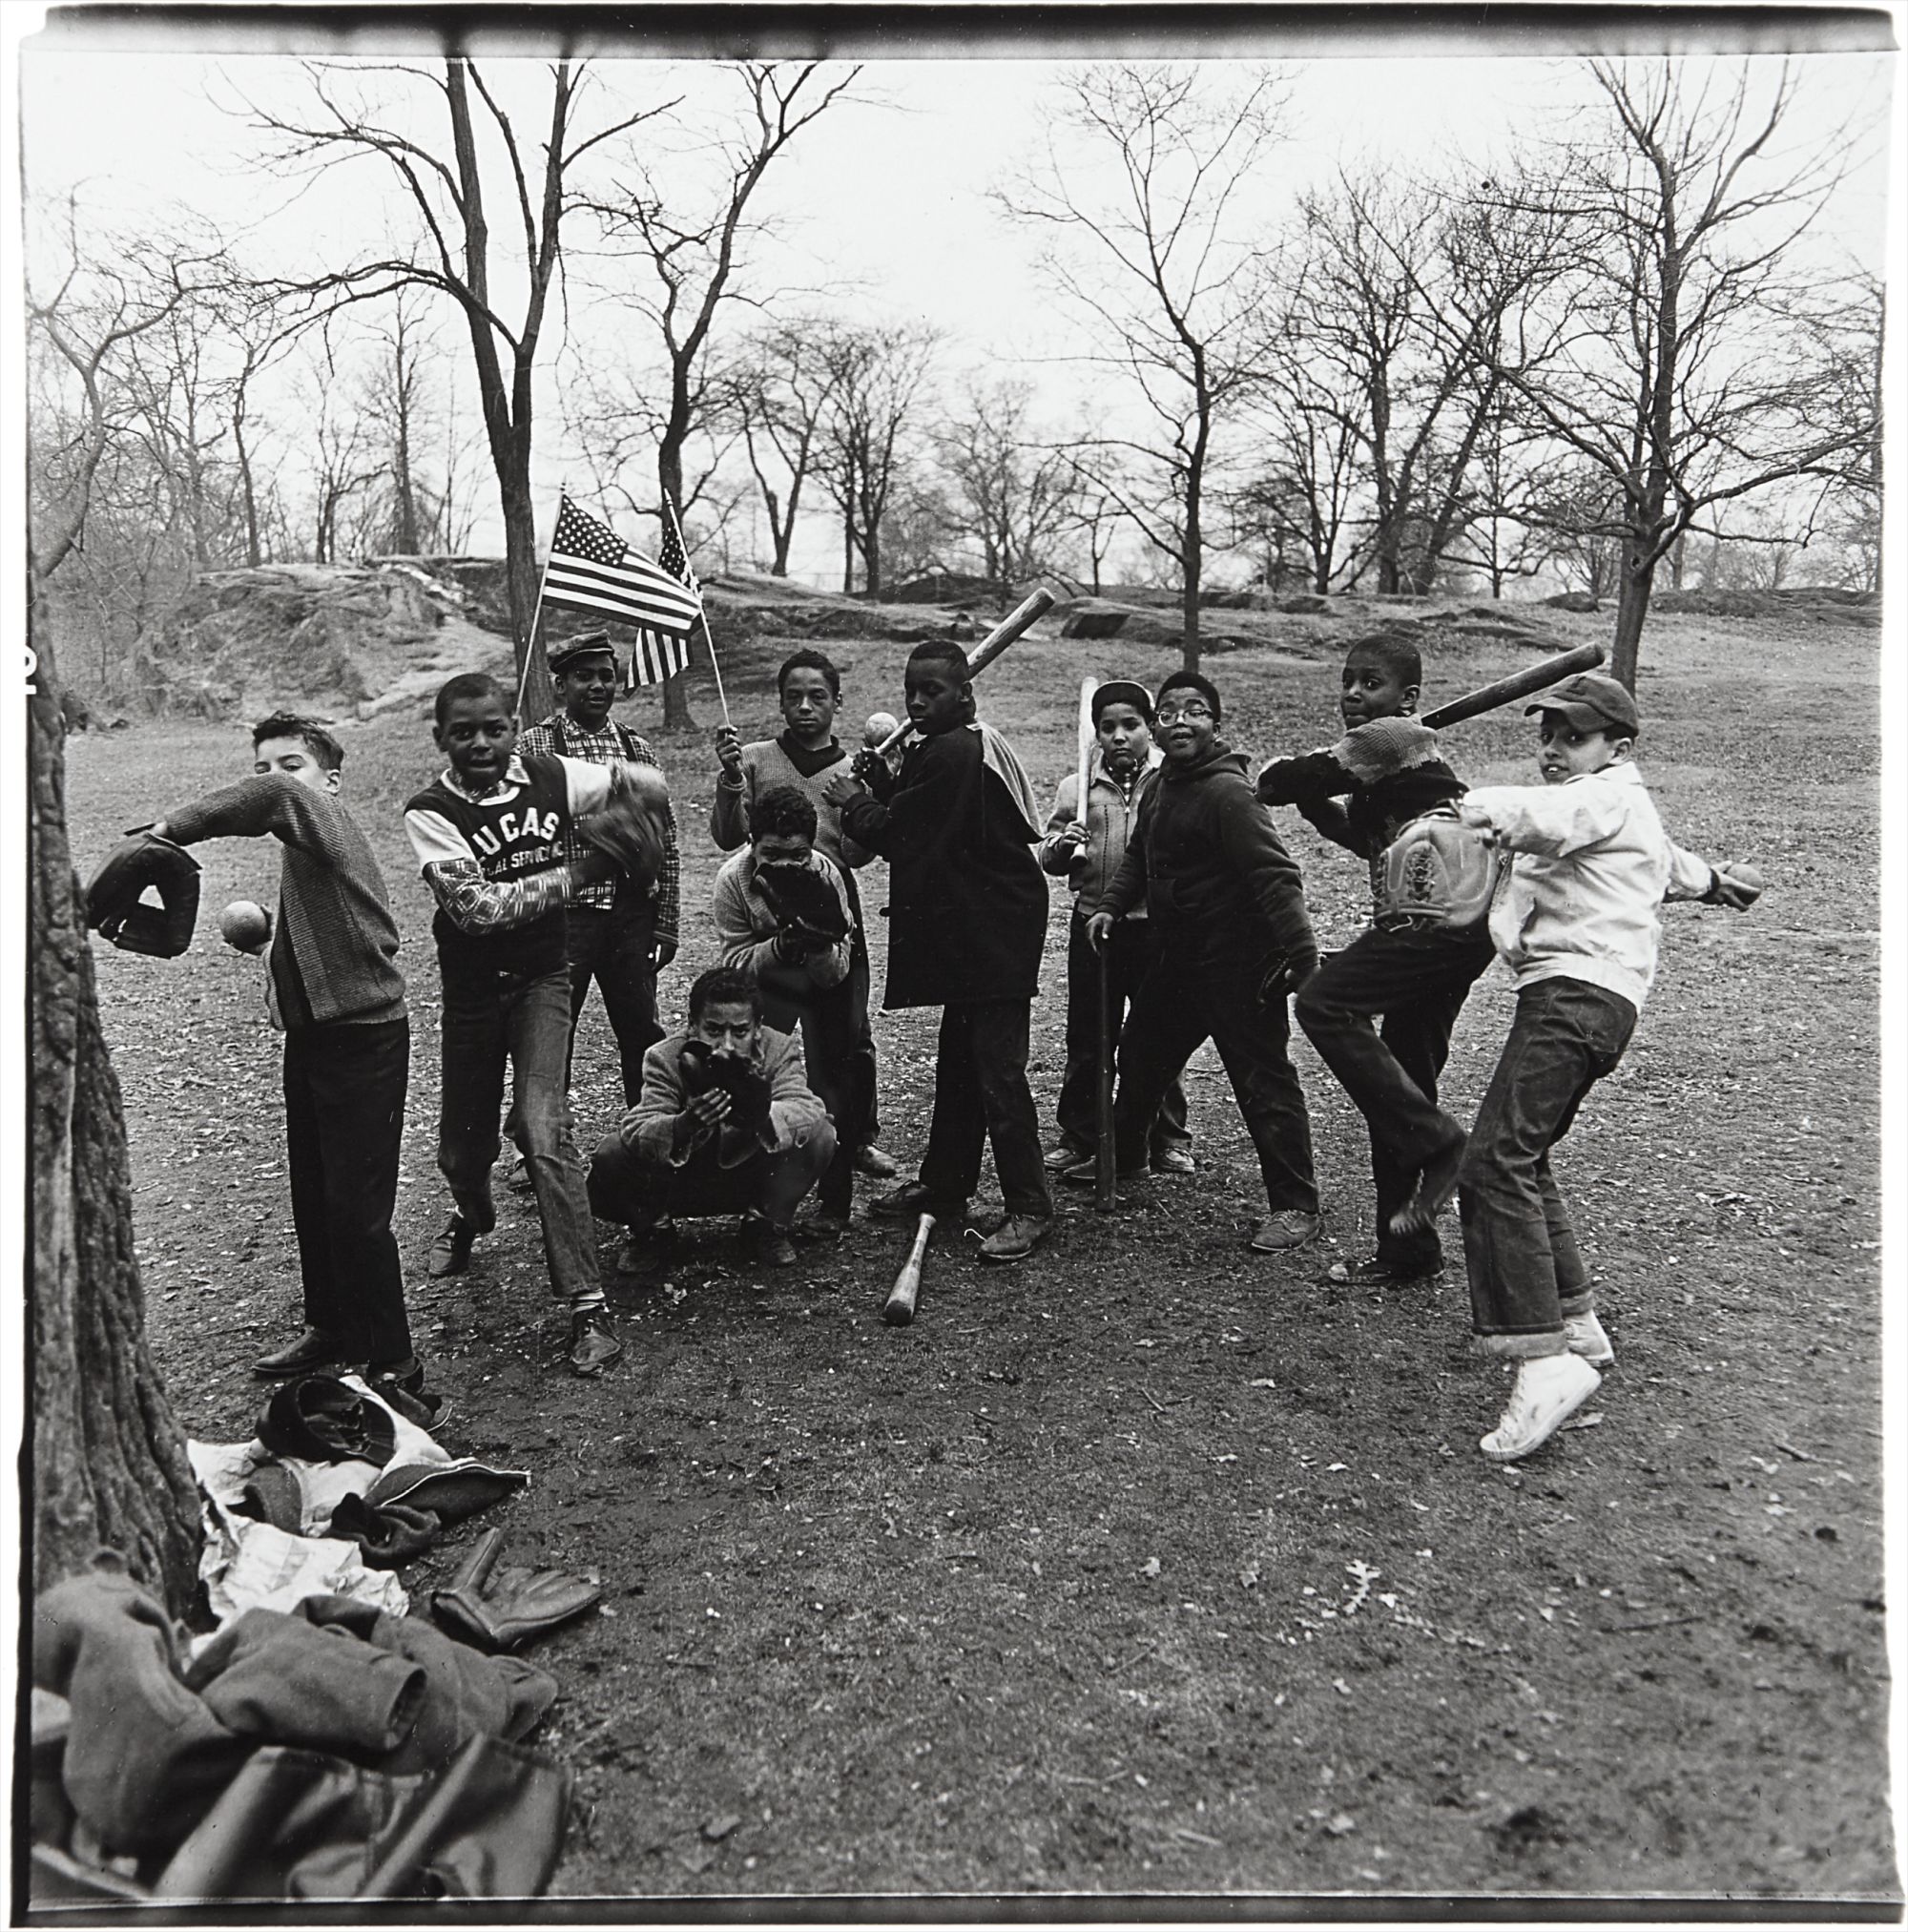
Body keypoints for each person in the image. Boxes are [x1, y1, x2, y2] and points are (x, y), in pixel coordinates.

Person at [1441, 673, 1760, 1461]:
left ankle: (1542, 1361)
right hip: (1593, 1003)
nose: (1554, 751)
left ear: (1618, 748)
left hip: (1572, 998)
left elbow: (1545, 814)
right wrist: (1717, 882)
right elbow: (1670, 864)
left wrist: (1459, 808)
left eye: (1572, 737)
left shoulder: (1600, 797)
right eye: (1547, 735)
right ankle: (1576, 1322)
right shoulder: (1625, 809)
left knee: (1490, 1166)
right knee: (1528, 1156)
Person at [149, 714, 426, 1407]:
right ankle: (331, 1326)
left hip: (365, 1039)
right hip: (314, 1041)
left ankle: (395, 1364)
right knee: (313, 1193)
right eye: (263, 765)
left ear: (329, 777)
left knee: (356, 1211)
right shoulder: (301, 846)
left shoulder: (323, 815)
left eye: (291, 763)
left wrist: (167, 830)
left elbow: (276, 800)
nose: (276, 779)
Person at [403, 671, 647, 1377]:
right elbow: (478, 908)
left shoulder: (550, 773)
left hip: (545, 979)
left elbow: (641, 788)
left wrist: (635, 820)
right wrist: (586, 868)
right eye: (463, 732)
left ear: (514, 727)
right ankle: (471, 1216)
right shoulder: (430, 810)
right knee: (461, 1153)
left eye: (494, 727)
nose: (481, 742)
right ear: (441, 739)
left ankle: (588, 1305)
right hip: (476, 992)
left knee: (545, 1125)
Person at [1256, 634, 1496, 1285]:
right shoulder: (1389, 766)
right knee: (1403, 1084)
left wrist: (1278, 777)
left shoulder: (1393, 738)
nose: (1355, 694)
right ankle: (1408, 1249)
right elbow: (1360, 836)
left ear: (1408, 699)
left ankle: (1440, 1141)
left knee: (1323, 1001)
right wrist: (1314, 802)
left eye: (1371, 683)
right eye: (1349, 682)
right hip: (1456, 923)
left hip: (1438, 913)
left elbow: (1285, 781)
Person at [823, 640, 1053, 1262]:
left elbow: (903, 836)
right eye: (912, 691)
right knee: (958, 1063)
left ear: (965, 697)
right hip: (974, 929)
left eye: (934, 691)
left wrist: (855, 801)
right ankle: (946, 1186)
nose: (920, 701)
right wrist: (884, 780)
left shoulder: (955, 751)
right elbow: (919, 810)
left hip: (996, 932)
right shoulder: (939, 749)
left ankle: (1030, 1205)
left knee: (997, 1071)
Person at [1081, 670, 1321, 1253]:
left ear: (1216, 723)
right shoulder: (1163, 785)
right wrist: (1111, 905)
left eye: (1196, 711)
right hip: (1177, 957)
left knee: (1261, 1079)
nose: (1180, 720)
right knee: (1140, 1059)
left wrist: (1302, 955)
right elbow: (1139, 854)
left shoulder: (1228, 793)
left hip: (1238, 964)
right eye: (1168, 713)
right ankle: (1129, 1157)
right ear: (1158, 728)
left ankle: (1295, 1204)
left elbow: (1274, 874)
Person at [711, 647, 896, 1179]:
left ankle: (855, 1136)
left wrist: (863, 796)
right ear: (781, 704)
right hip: (766, 909)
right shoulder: (754, 757)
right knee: (765, 1026)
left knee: (847, 1032)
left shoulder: (851, 767)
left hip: (832, 905)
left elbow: (858, 854)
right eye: (794, 698)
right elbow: (728, 837)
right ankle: (759, 1127)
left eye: (818, 697)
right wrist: (729, 782)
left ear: (837, 702)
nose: (806, 708)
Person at [517, 632, 679, 1107]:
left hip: (631, 916)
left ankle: (653, 1127)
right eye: (583, 676)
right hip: (565, 916)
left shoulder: (636, 749)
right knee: (549, 1030)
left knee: (641, 1030)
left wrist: (665, 924)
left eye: (606, 676)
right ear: (560, 684)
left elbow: (667, 840)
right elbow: (519, 829)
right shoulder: (537, 744)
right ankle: (541, 1144)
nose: (596, 686)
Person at [1037, 679, 1193, 1174]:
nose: (1119, 737)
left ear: (1151, 729)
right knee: (1089, 1036)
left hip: (1156, 929)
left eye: (1131, 725)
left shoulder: (1169, 781)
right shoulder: (1077, 788)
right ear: (1096, 735)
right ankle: (1081, 1134)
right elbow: (1047, 854)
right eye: (1108, 728)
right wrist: (1062, 847)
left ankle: (1166, 1136)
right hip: (1093, 927)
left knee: (1158, 1037)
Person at [587, 965, 837, 1269]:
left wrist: (762, 1112)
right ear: (693, 1026)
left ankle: (764, 1224)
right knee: (610, 1154)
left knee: (823, 1134)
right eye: (714, 1031)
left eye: (740, 1031)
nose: (727, 1045)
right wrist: (683, 1124)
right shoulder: (664, 1056)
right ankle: (654, 1231)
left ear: (758, 1027)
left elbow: (808, 1107)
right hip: (683, 1181)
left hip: (751, 1177)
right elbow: (638, 1127)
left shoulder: (777, 1048)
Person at [710, 785, 863, 1232]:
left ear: (811, 849)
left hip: (822, 981)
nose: (784, 865)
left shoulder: (826, 874)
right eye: (771, 853)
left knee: (834, 1079)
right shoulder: (733, 880)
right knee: (755, 1078)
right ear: (752, 844)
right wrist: (780, 945)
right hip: (765, 985)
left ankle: (835, 1204)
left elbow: (837, 970)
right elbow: (735, 964)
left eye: (797, 855)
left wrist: (815, 944)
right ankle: (757, 1200)